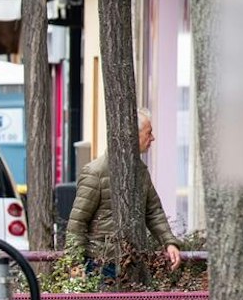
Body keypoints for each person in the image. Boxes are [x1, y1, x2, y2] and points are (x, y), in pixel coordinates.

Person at [64, 111, 183, 275]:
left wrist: (169, 243)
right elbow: (77, 223)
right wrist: (75, 263)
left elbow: (153, 211)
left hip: (134, 262)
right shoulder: (95, 172)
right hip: (100, 263)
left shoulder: (141, 171)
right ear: (133, 135)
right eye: (149, 133)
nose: (153, 138)